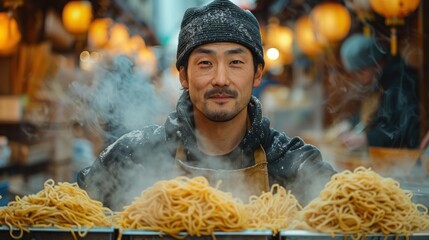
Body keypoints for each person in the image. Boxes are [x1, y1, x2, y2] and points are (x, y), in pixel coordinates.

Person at [77, 0, 336, 210]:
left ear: (257, 73)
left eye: (235, 63)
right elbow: (68, 219)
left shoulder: (293, 164)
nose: (220, 79)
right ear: (183, 75)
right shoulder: (130, 157)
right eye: (205, 63)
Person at [333, 33, 420, 150]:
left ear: (377, 64)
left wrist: (367, 138)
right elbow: (371, 114)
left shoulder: (401, 83)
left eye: (361, 72)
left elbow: (404, 130)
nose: (359, 79)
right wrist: (350, 123)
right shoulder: (377, 81)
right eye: (354, 74)